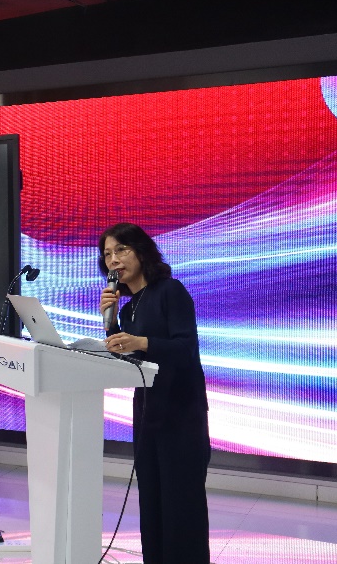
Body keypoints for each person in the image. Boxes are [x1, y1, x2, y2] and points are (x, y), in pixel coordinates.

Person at [98, 222, 211, 564]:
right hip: (148, 413)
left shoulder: (170, 291)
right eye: (107, 254)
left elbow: (186, 348)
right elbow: (128, 355)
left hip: (181, 413)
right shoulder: (129, 307)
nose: (113, 260)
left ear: (142, 251)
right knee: (152, 502)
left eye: (121, 250)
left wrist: (142, 342)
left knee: (181, 506)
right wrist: (111, 320)